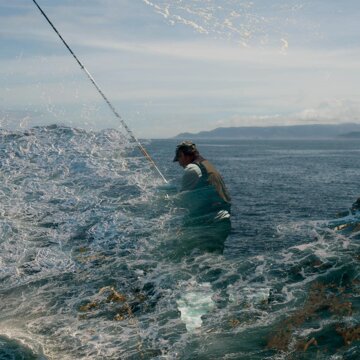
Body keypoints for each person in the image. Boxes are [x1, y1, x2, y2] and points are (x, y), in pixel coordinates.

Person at [172, 141, 231, 253]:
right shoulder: (206, 166)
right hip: (222, 222)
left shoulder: (192, 169)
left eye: (178, 159)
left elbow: (184, 202)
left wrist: (166, 198)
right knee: (211, 261)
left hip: (209, 224)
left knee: (178, 252)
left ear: (183, 155)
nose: (179, 164)